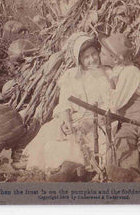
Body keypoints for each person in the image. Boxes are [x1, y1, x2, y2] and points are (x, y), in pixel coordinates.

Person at [22, 33, 113, 179]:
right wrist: (66, 119)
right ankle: (60, 169)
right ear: (79, 60)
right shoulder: (71, 76)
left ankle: (75, 169)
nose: (92, 59)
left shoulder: (107, 73)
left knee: (89, 143)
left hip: (98, 120)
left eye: (94, 54)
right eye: (86, 57)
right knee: (54, 133)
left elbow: (112, 104)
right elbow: (64, 103)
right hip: (75, 118)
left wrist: (92, 121)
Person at [99, 33, 140, 181]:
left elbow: (115, 103)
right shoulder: (116, 73)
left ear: (115, 59)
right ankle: (129, 174)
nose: (100, 55)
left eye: (103, 53)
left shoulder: (130, 72)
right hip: (128, 120)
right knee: (123, 140)